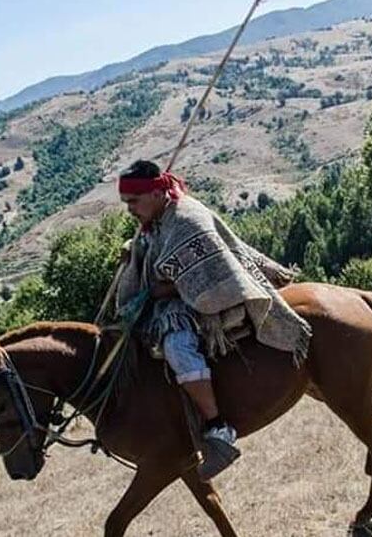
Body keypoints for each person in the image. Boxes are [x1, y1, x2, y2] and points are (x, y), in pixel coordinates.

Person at [113, 160, 310, 481]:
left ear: (155, 193)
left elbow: (204, 272)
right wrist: (134, 252)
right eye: (126, 203)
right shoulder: (158, 219)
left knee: (177, 345)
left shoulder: (186, 218)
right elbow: (158, 255)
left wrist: (161, 287)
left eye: (134, 201)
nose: (130, 209)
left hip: (209, 300)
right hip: (176, 299)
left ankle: (218, 427)